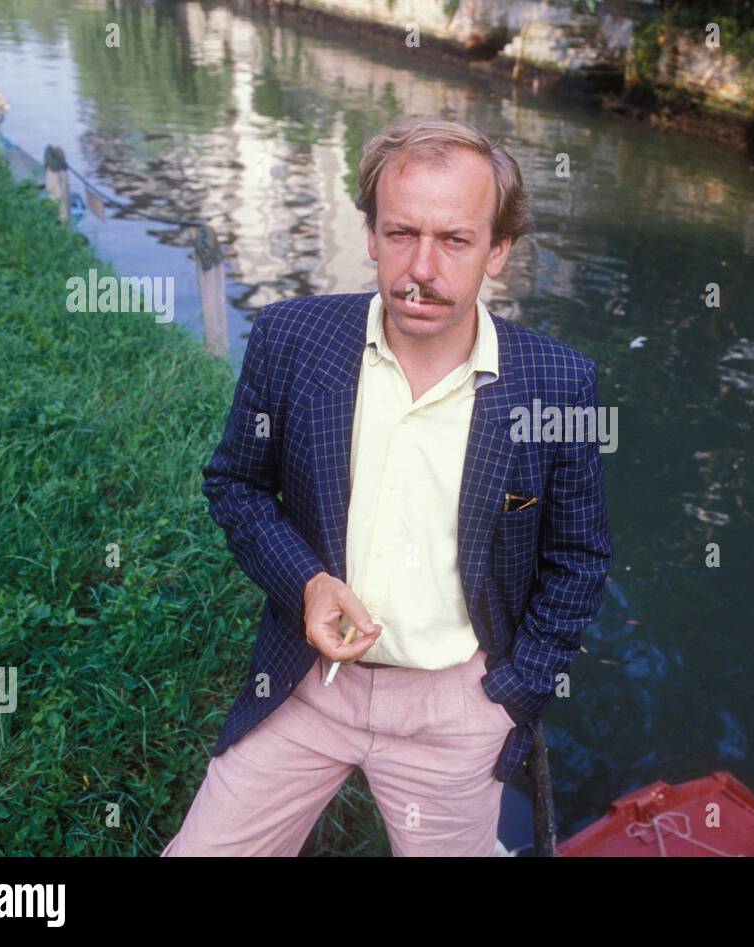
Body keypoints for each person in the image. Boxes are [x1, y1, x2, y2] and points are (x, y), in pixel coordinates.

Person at [160, 116, 612, 856]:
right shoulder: (291, 340)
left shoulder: (558, 383)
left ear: (498, 251)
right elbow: (236, 484)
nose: (421, 269)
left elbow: (580, 557)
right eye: (400, 233)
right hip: (305, 687)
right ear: (369, 234)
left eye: (456, 240)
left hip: (457, 711)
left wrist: (517, 691)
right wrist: (307, 583)